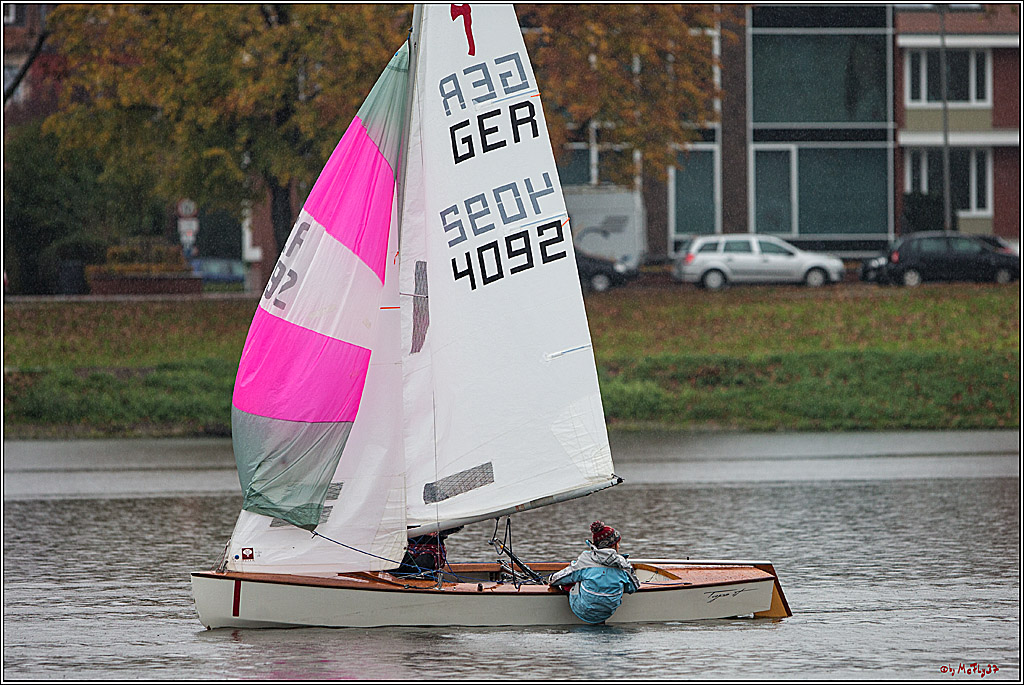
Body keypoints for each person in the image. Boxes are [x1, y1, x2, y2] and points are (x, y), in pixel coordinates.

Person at [548, 520, 641, 624]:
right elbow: (634, 587)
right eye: (618, 543)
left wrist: (551, 578)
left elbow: (557, 579)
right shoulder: (623, 565)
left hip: (581, 610)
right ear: (612, 545)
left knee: (575, 577)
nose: (619, 546)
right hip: (608, 612)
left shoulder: (585, 560)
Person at [394, 527, 463, 577]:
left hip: (432, 549)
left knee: (423, 563)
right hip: (410, 547)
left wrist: (438, 530)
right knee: (397, 564)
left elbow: (458, 525)